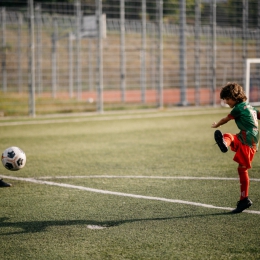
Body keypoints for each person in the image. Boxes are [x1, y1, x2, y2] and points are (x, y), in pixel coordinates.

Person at [211, 82, 260, 213]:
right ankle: (244, 199)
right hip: (252, 140)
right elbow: (258, 115)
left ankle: (224, 144)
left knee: (228, 136)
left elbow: (225, 119)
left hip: (247, 139)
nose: (226, 101)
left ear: (235, 97)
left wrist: (217, 125)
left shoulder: (238, 108)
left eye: (227, 99)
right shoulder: (250, 107)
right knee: (242, 169)